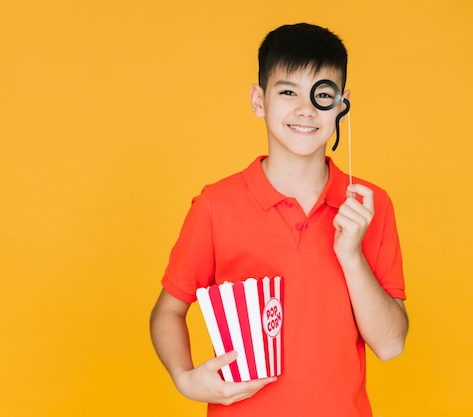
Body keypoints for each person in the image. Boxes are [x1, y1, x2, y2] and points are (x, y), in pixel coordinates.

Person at [150, 22, 408, 417]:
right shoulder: (215, 206)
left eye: (322, 95)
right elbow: (168, 310)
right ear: (259, 100)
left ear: (342, 105)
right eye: (288, 92)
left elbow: (390, 346)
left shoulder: (368, 206)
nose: (305, 110)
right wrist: (185, 377)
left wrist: (352, 255)